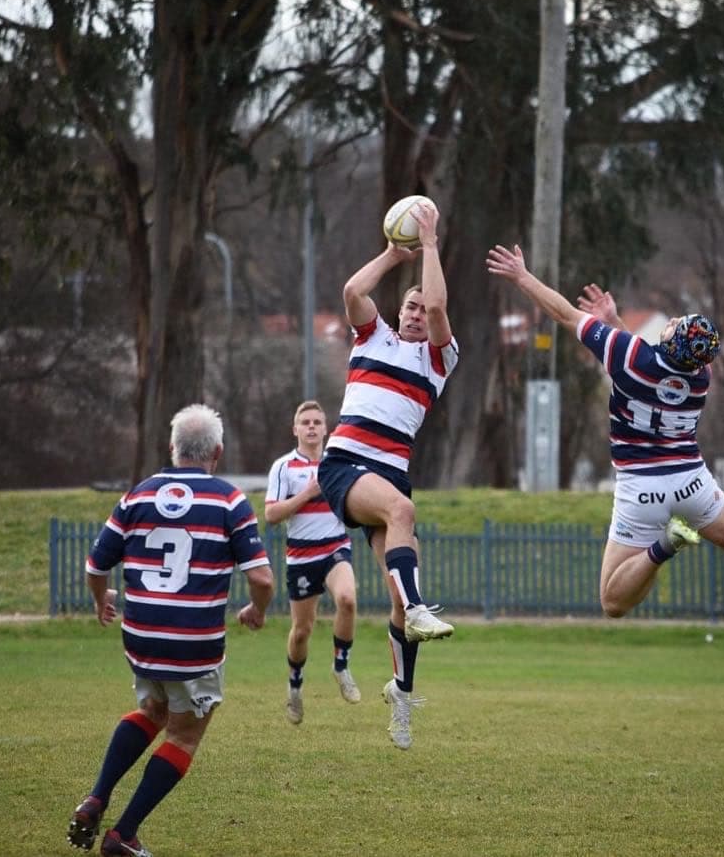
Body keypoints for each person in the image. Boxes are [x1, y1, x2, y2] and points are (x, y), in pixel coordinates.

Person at [484, 246, 724, 622]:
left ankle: (664, 545)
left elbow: (565, 314)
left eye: (677, 322)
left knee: (613, 601)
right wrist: (614, 319)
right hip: (691, 481)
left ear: (671, 340)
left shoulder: (627, 354)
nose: (674, 319)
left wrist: (522, 276)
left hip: (641, 487)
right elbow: (653, 370)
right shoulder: (700, 378)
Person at [67, 404, 273, 857]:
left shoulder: (137, 496)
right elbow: (262, 579)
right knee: (183, 734)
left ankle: (96, 796)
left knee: (154, 709)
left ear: (172, 448)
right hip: (192, 644)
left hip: (140, 637)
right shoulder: (228, 500)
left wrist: (100, 599)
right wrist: (256, 611)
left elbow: (95, 565)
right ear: (217, 452)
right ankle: (124, 834)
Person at [316, 198, 457, 751]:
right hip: (346, 464)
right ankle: (421, 607)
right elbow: (353, 293)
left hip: (389, 474)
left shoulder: (439, 360)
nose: (419, 313)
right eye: (411, 307)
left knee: (395, 601)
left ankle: (401, 692)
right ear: (399, 313)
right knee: (403, 512)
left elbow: (443, 304)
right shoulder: (372, 337)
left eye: (424, 309)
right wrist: (393, 255)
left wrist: (429, 247)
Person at [264, 400, 361, 725]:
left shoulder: (338, 464)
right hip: (301, 556)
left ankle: (341, 665)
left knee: (347, 599)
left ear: (326, 429)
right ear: (295, 429)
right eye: (305, 422)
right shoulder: (283, 467)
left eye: (317, 422)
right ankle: (294, 686)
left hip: (335, 548)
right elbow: (272, 515)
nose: (311, 427)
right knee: (302, 631)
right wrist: (306, 494)